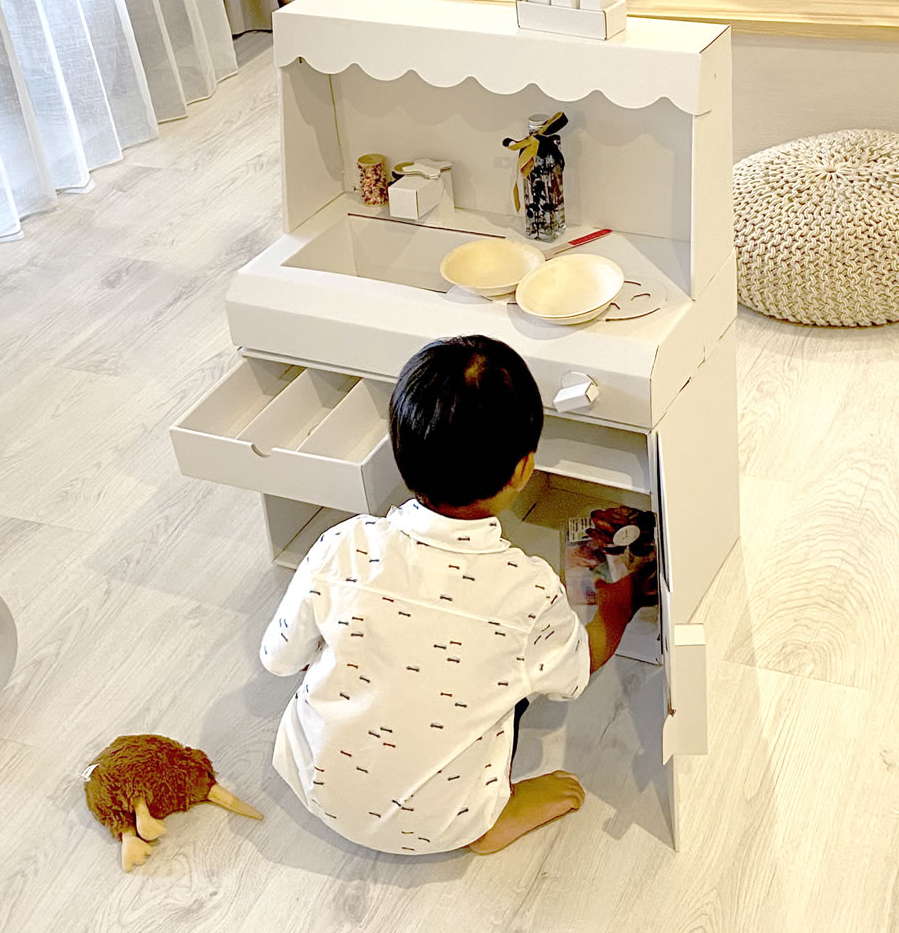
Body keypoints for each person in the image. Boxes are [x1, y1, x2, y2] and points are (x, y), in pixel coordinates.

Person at [260, 335, 639, 855]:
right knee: (513, 675)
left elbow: (278, 659)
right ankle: (487, 821)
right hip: (441, 823)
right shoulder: (527, 590)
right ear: (523, 470)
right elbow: (577, 668)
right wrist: (619, 606)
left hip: (314, 784)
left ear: (399, 450)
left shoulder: (341, 545)